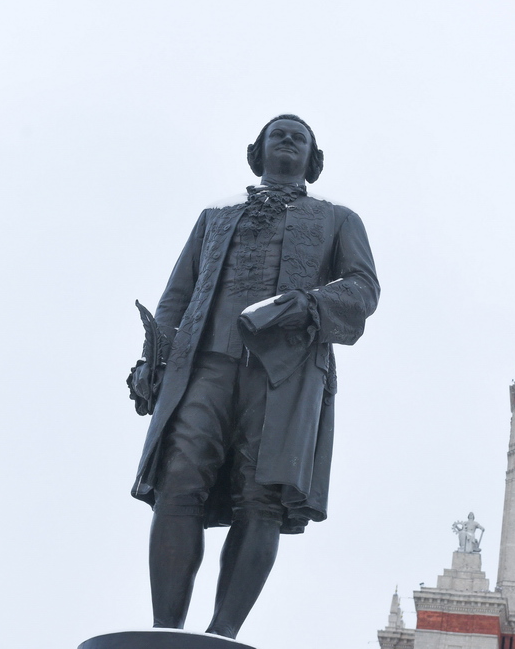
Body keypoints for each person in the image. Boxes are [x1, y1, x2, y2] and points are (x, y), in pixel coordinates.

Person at [128, 115, 379, 639]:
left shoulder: (337, 219)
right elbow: (177, 296)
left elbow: (363, 289)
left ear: (313, 159)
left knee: (261, 497)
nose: (287, 138)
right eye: (277, 133)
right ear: (257, 150)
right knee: (178, 483)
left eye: (299, 136)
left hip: (283, 377)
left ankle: (221, 635)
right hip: (205, 367)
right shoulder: (215, 218)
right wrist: (153, 359)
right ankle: (164, 631)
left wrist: (307, 303)